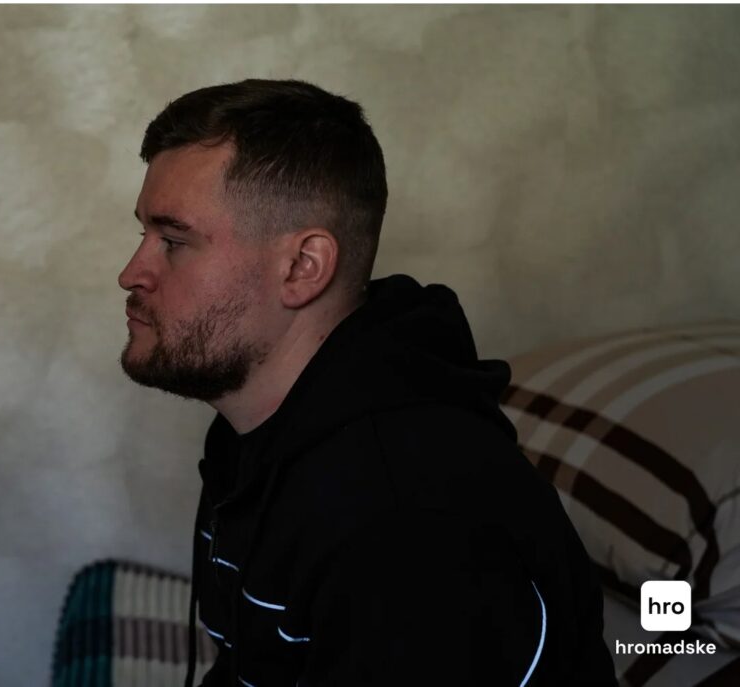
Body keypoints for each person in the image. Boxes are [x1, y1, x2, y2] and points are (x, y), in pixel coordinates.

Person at [118, 79, 616, 686]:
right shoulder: (253, 428)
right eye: (143, 235)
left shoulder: (406, 521)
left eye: (173, 241)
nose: (131, 273)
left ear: (303, 267)